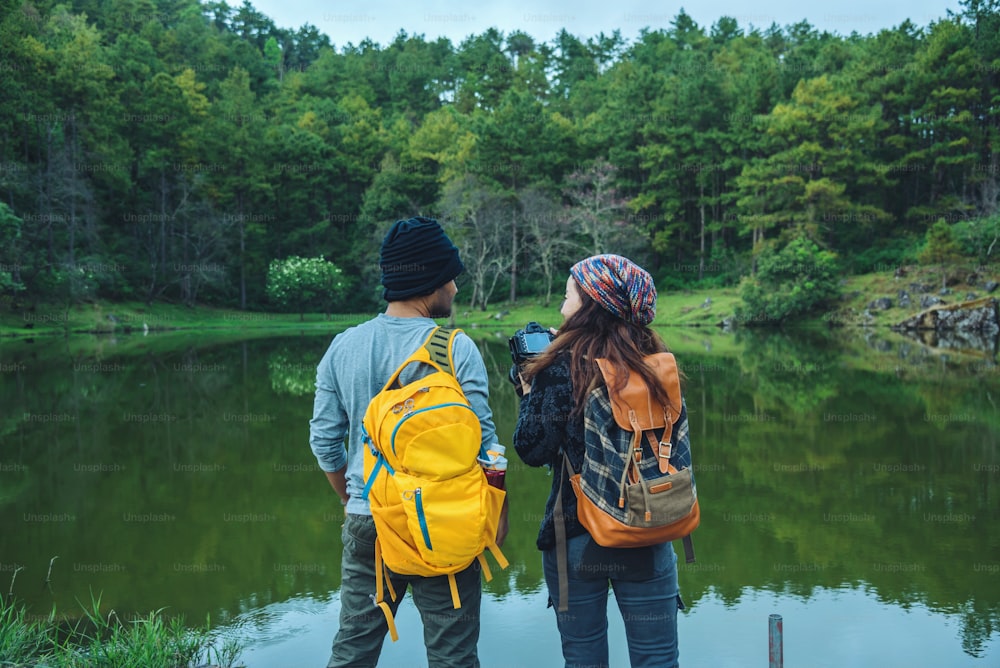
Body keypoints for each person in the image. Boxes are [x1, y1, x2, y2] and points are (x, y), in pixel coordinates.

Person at [310, 216, 508, 668]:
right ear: (431, 280)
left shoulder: (343, 347)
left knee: (353, 652)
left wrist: (352, 497)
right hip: (446, 524)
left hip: (369, 522)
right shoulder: (455, 348)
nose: (455, 288)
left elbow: (324, 442)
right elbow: (487, 447)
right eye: (450, 277)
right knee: (453, 657)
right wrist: (499, 512)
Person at [513, 254, 688, 668]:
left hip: (577, 534)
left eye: (569, 293)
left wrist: (528, 390)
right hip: (649, 527)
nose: (561, 305)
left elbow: (531, 449)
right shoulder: (656, 366)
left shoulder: (561, 367)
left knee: (584, 659)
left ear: (592, 303)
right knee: (659, 660)